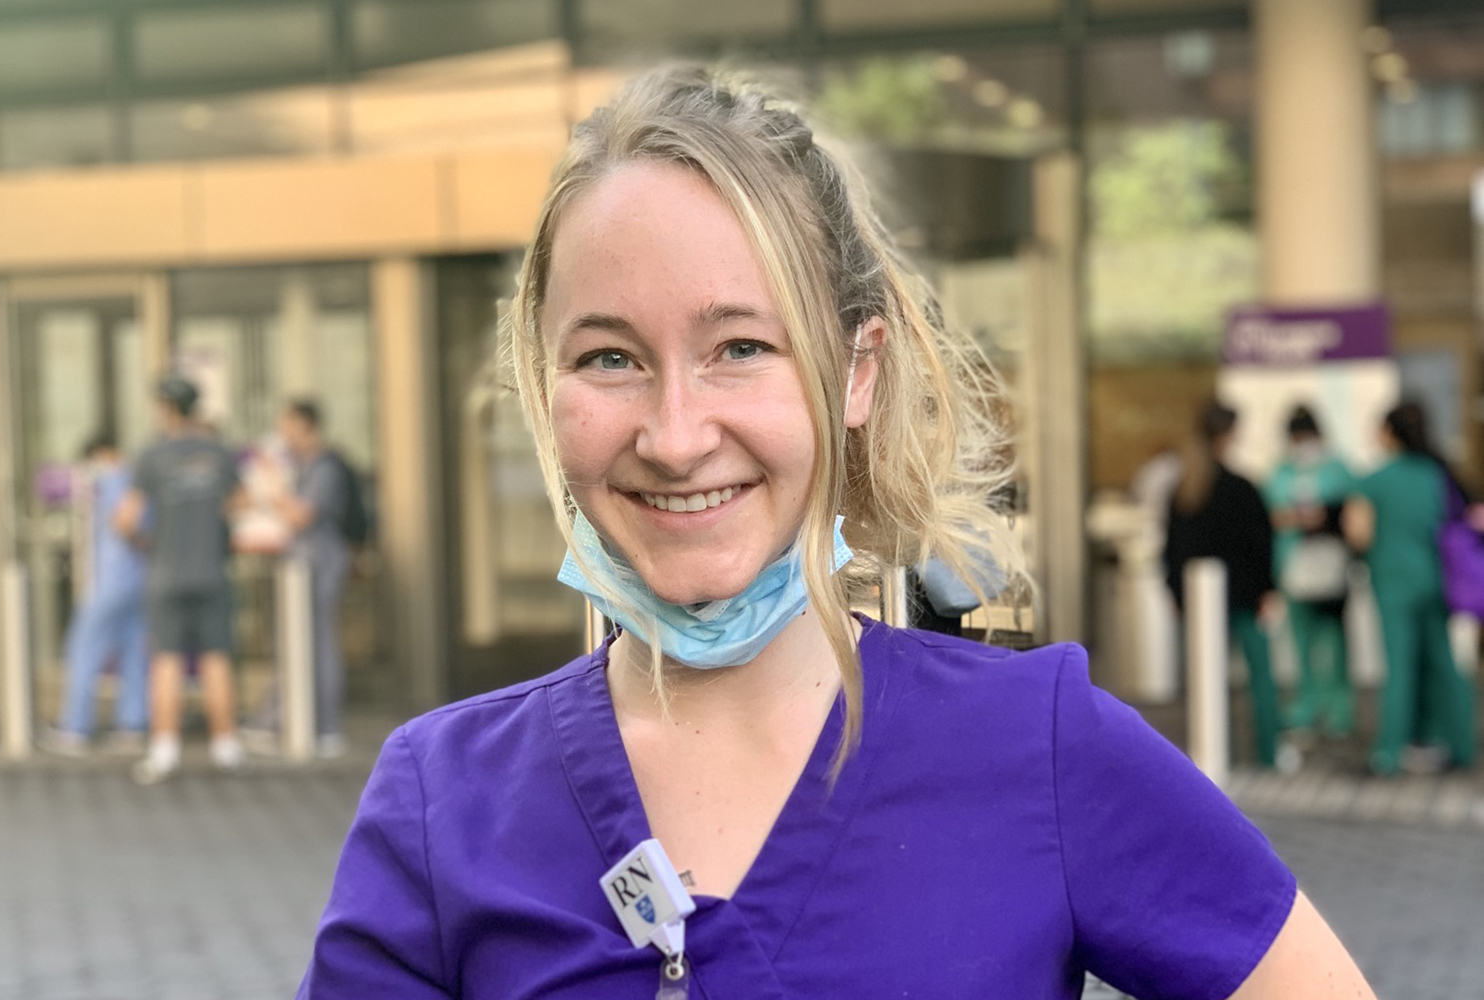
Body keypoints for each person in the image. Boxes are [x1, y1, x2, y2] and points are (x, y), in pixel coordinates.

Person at [298, 67, 1374, 999]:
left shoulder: (1040, 751)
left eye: (743, 348)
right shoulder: (445, 799)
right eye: (610, 359)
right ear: (545, 384)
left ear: (856, 372)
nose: (676, 438)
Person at [116, 374, 247, 785]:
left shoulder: (153, 455)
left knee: (167, 661)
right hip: (211, 571)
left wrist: (143, 541)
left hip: (167, 573)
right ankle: (226, 747)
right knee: (216, 658)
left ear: (167, 408)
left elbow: (126, 518)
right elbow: (240, 502)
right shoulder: (218, 452)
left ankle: (165, 750)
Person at [1344, 401, 1476, 776]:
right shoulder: (1438, 473)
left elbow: (1358, 534)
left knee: (1399, 667)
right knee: (1445, 665)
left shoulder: (1375, 478)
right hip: (1435, 578)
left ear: (1390, 432)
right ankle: (1463, 745)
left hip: (1393, 582)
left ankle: (1388, 752)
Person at [1164, 401, 1288, 771]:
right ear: (1229, 434)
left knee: (1206, 681)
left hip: (1200, 603)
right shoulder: (1243, 488)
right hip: (1247, 598)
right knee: (1261, 678)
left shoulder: (1184, 490)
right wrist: (1268, 589)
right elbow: (1262, 545)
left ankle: (1213, 752)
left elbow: (1173, 549)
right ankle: (1268, 753)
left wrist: (1175, 592)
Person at [251, 399, 353, 757]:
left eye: (287, 425)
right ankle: (283, 719)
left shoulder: (325, 466)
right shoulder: (304, 465)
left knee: (318, 641)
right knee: (297, 640)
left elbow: (301, 516)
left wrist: (272, 490)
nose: (282, 433)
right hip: (303, 562)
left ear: (304, 425)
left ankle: (324, 727)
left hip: (320, 562)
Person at [39, 435, 150, 756]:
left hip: (108, 583)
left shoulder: (111, 482)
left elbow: (123, 525)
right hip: (138, 581)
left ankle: (76, 727)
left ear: (103, 454)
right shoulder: (138, 481)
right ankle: (132, 725)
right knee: (133, 652)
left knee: (83, 649)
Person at [1264, 406, 1356, 737]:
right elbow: (1269, 511)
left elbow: (1351, 511)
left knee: (1334, 644)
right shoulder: (1280, 472)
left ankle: (1338, 711)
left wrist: (1323, 516)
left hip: (1331, 569)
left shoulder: (1337, 469)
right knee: (1299, 643)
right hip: (1292, 567)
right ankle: (1306, 707)